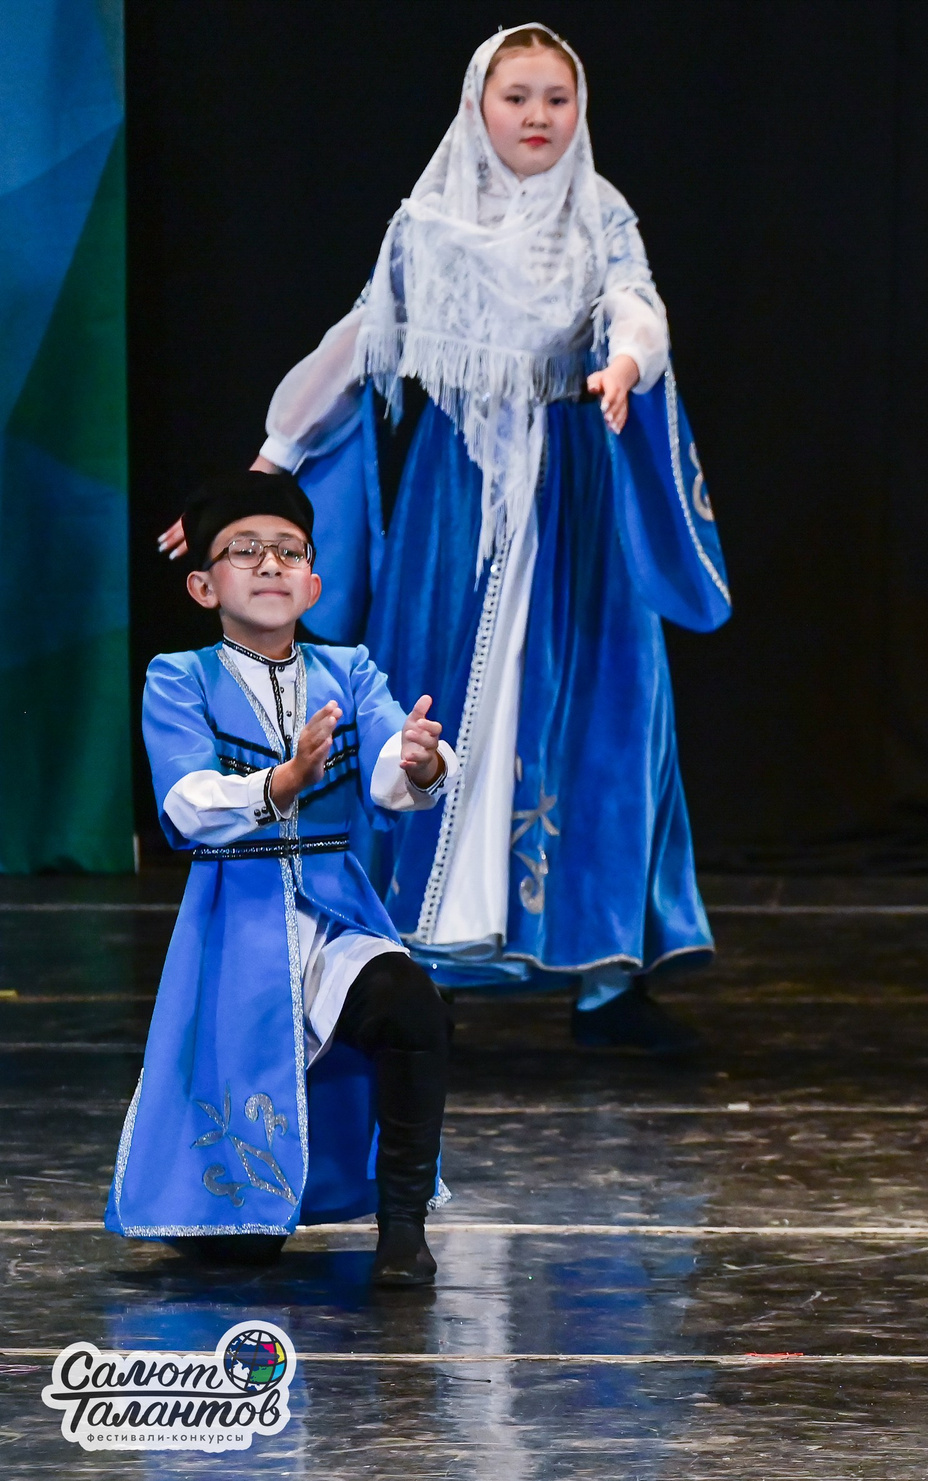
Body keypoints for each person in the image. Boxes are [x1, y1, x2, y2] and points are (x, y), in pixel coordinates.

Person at [155, 23, 730, 1055]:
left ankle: (604, 974)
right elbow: (357, 344)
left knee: (600, 705)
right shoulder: (427, 226)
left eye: (556, 98)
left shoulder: (596, 212)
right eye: (518, 97)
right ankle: (421, 958)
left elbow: (637, 306)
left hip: (572, 497)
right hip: (458, 498)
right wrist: (266, 468)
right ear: (478, 106)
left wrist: (626, 365)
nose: (538, 117)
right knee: (429, 700)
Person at [112, 471, 461, 1287]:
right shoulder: (180, 677)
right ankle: (229, 1214)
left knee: (412, 1003)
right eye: (244, 550)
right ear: (204, 586)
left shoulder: (349, 669)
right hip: (238, 924)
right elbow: (186, 802)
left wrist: (422, 760)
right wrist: (280, 782)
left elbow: (390, 765)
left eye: (288, 551)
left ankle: (402, 1228)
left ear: (312, 582)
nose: (269, 564)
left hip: (334, 910)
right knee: (239, 1248)